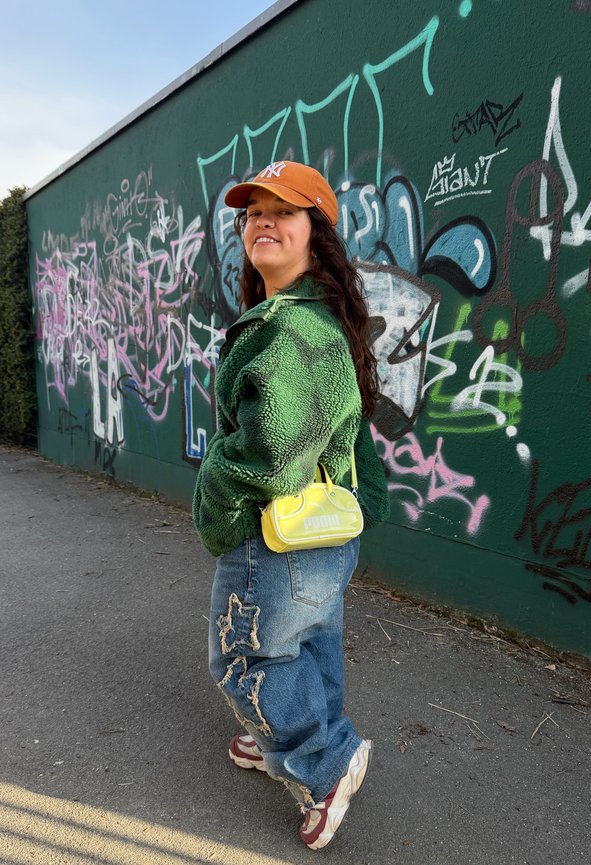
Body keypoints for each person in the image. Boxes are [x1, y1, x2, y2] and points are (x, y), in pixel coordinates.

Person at [192, 161, 389, 849]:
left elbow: (267, 455)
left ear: (317, 235)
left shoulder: (289, 331)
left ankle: (322, 761)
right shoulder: (315, 318)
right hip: (324, 532)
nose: (263, 222)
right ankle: (282, 736)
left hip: (273, 536)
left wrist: (211, 497)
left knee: (245, 659)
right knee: (309, 641)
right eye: (253, 213)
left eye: (285, 211)